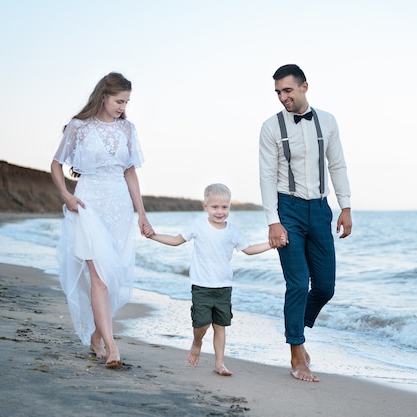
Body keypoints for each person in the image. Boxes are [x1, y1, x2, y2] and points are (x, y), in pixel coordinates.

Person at [51, 72, 152, 368]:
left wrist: (141, 214)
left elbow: (130, 172)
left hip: (120, 207)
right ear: (103, 96)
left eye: (126, 101)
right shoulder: (78, 127)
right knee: (99, 278)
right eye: (119, 100)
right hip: (88, 204)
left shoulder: (128, 129)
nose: (123, 106)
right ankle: (111, 346)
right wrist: (66, 196)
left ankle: (97, 335)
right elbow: (56, 164)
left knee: (114, 277)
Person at [259, 64, 352, 382]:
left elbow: (337, 164)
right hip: (288, 211)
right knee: (297, 283)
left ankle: (296, 326)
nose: (282, 97)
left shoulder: (327, 121)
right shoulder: (271, 127)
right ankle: (297, 354)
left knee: (325, 287)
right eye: (278, 92)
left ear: (304, 87)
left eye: (287, 90)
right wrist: (273, 222)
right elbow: (267, 177)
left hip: (320, 210)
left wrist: (346, 206)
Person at [144, 183, 279, 376]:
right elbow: (175, 241)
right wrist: (153, 236)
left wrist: (271, 244)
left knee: (220, 326)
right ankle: (197, 343)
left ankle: (219, 364)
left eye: (225, 207)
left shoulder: (232, 231)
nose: (220, 211)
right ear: (205, 206)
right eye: (215, 207)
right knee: (202, 324)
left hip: (224, 287)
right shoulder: (198, 225)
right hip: (202, 286)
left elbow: (248, 249)